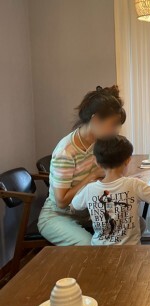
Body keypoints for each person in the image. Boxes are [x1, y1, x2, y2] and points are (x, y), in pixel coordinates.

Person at [38, 85, 126, 246]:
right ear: (95, 119)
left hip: (87, 211)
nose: (116, 131)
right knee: (87, 246)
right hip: (59, 215)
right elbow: (61, 202)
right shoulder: (66, 152)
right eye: (113, 124)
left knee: (132, 225)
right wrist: (92, 176)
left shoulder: (99, 143)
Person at [71, 135, 150, 245]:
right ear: (128, 160)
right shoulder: (133, 184)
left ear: (97, 162)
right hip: (130, 250)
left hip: (99, 250)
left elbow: (75, 206)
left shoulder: (89, 189)